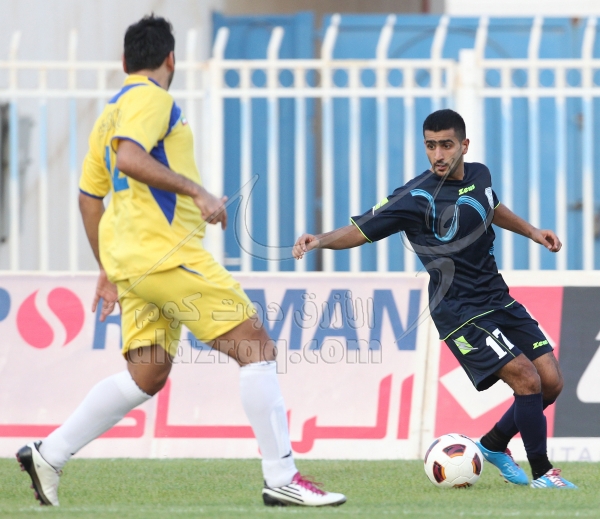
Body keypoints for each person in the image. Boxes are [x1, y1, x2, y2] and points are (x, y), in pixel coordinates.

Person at [16, 15, 345, 508]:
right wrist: (198, 191)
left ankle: (50, 453)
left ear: (124, 60)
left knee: (146, 374)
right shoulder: (152, 99)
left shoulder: (108, 114)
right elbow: (130, 158)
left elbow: (89, 198)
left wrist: (107, 268)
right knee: (255, 346)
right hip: (166, 256)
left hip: (132, 264)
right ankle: (282, 477)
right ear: (171, 58)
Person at [293, 109, 576, 489]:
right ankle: (544, 474)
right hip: (458, 310)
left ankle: (493, 445)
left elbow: (491, 206)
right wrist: (319, 240)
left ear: (464, 145)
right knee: (526, 379)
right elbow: (360, 230)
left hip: (496, 296)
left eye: (446, 145)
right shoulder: (415, 197)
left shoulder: (480, 175)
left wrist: (532, 231)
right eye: (430, 146)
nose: (438, 154)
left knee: (551, 382)